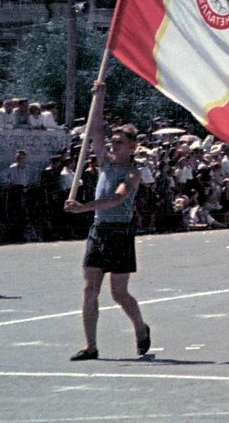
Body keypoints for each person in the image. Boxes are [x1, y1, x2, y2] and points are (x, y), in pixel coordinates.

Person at [64, 118, 151, 361]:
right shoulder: (105, 163)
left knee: (119, 293)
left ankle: (141, 328)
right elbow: (95, 131)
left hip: (120, 233)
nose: (114, 145)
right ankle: (90, 346)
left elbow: (117, 198)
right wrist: (99, 99)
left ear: (132, 146)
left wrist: (83, 208)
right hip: (99, 230)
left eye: (120, 142)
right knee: (90, 289)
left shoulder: (133, 173)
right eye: (113, 141)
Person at [0, 149, 33, 242]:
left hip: (24, 190)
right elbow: (1, 175)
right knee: (15, 212)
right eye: (18, 158)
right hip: (15, 190)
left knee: (23, 213)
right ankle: (15, 235)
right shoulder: (12, 167)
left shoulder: (27, 168)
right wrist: (10, 182)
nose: (19, 159)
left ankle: (22, 234)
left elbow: (28, 178)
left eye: (21, 158)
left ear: (24, 158)